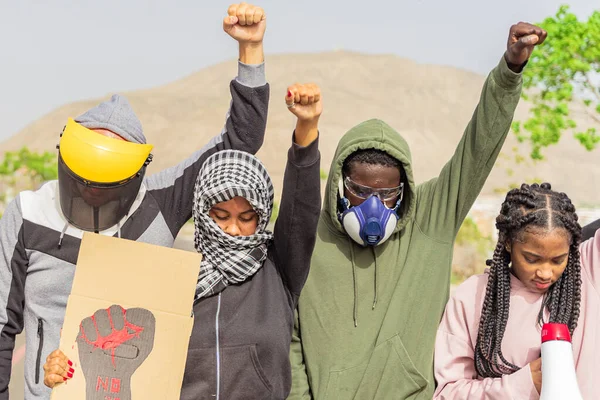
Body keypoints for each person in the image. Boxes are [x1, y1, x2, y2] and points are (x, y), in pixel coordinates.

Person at [0, 3, 269, 399]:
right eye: (84, 180)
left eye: (108, 183)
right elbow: (3, 324)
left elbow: (239, 145)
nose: (93, 190)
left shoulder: (159, 201)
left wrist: (250, 52)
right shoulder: (28, 214)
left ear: (136, 174)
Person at [289, 22, 547, 399]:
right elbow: (291, 339)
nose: (374, 206)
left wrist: (509, 72)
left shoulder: (429, 218)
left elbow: (477, 149)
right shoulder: (308, 238)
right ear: (339, 184)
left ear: (404, 187)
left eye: (388, 193)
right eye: (360, 191)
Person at [45, 83, 322, 399]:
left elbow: (302, 211)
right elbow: (114, 358)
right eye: (221, 215)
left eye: (247, 218)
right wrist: (63, 371)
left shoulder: (279, 270)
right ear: (202, 213)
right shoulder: (172, 284)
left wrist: (306, 131)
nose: (232, 229)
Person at [434, 183, 597, 399]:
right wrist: (524, 383)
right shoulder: (472, 297)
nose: (546, 273)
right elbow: (448, 392)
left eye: (558, 260)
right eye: (531, 259)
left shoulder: (589, 270)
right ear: (509, 243)